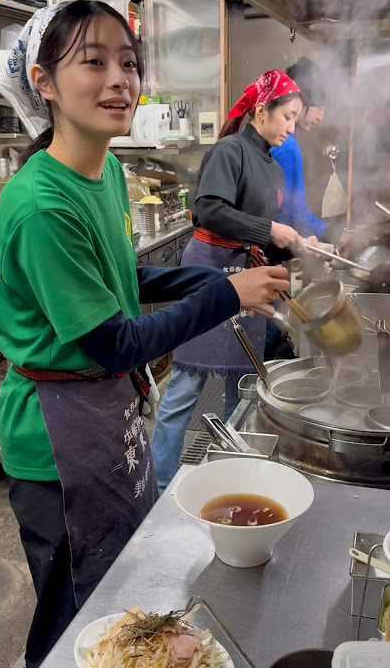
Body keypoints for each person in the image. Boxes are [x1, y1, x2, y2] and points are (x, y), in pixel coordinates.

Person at [0, 1, 290, 668]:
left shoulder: (104, 175)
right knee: (72, 618)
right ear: (43, 81)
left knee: (119, 602)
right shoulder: (41, 204)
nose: (118, 78)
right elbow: (114, 342)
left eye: (127, 62)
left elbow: (120, 281)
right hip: (54, 441)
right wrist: (223, 294)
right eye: (92, 61)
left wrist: (230, 281)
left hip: (105, 418)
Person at [151, 70, 313, 493]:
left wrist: (296, 244)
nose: (292, 128)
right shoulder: (230, 150)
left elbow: (265, 237)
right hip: (209, 272)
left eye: (297, 118)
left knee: (239, 388)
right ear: (263, 109)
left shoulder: (272, 168)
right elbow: (208, 210)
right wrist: (270, 230)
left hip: (250, 278)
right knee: (187, 384)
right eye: (288, 117)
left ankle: (224, 477)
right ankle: (160, 483)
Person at [271, 57, 328, 239]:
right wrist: (332, 234)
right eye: (319, 107)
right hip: (269, 246)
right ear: (301, 103)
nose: (321, 117)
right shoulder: (286, 146)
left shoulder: (271, 137)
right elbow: (295, 215)